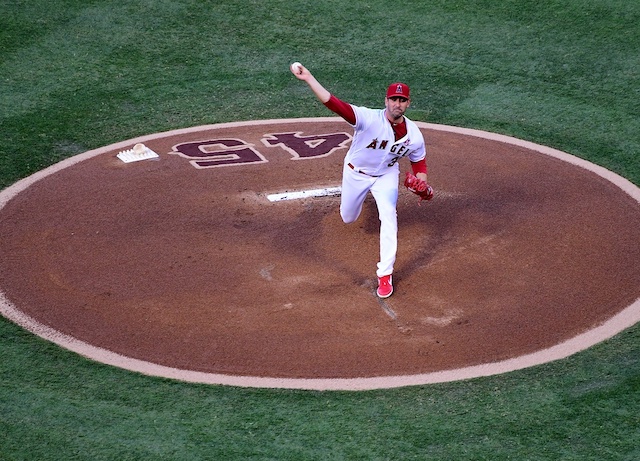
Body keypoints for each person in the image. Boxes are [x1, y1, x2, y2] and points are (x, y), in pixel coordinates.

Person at [291, 63, 432, 298]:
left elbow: (419, 164)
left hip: (386, 175)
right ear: (386, 101)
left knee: (389, 216)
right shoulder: (368, 118)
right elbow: (334, 103)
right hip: (356, 173)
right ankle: (357, 204)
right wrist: (309, 78)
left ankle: (385, 275)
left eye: (402, 100)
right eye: (393, 99)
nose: (397, 104)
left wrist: (422, 184)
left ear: (409, 103)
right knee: (348, 217)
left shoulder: (414, 135)